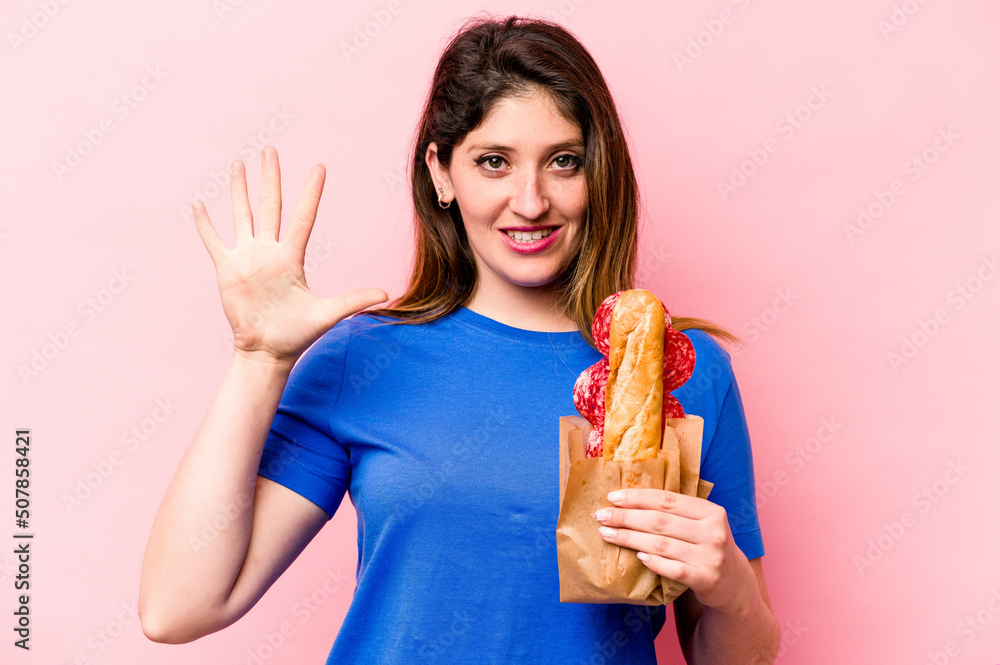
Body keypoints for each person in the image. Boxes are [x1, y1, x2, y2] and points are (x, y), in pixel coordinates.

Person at [139, 14, 780, 664]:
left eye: (563, 161)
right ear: (442, 172)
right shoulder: (361, 361)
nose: (530, 201)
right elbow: (177, 606)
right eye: (493, 162)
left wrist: (732, 591)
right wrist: (258, 357)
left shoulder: (685, 374)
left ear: (600, 173)